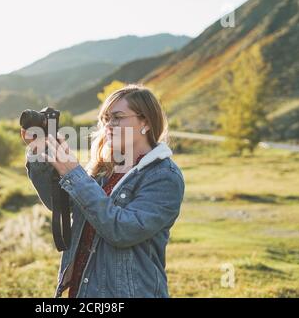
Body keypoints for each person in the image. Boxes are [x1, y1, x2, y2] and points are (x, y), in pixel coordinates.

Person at [21, 84, 185, 298]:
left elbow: (122, 229)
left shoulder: (163, 176)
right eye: (106, 118)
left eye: (118, 117)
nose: (109, 125)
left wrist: (74, 174)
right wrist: (41, 154)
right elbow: (62, 205)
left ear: (145, 121)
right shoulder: (104, 169)